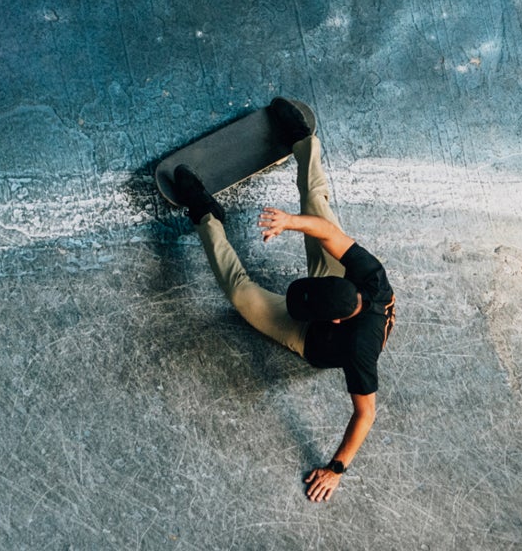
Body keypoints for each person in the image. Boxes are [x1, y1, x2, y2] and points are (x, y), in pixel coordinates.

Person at [167, 98, 394, 503]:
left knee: (241, 295)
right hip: (336, 293)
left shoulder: (358, 351)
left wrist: (337, 468)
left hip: (311, 341)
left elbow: (366, 415)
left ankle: (204, 214)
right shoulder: (371, 276)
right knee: (317, 207)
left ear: (336, 321)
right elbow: (326, 232)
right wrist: (289, 222)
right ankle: (303, 142)